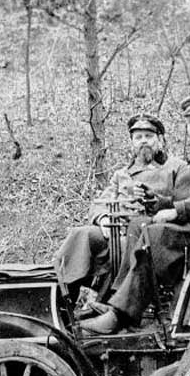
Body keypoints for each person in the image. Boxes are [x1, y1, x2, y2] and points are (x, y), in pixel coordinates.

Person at [80, 95, 190, 335]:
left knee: (154, 233)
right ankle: (121, 302)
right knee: (139, 224)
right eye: (189, 122)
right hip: (187, 225)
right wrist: (157, 201)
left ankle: (120, 314)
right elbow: (183, 195)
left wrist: (176, 211)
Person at [53, 114, 183, 307]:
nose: (143, 141)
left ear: (160, 139)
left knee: (122, 245)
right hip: (116, 229)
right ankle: (61, 300)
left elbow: (183, 201)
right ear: (132, 143)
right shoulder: (121, 174)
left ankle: (112, 305)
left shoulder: (175, 167)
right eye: (138, 137)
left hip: (150, 233)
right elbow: (101, 201)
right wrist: (103, 217)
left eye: (149, 135)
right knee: (83, 235)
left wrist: (155, 200)